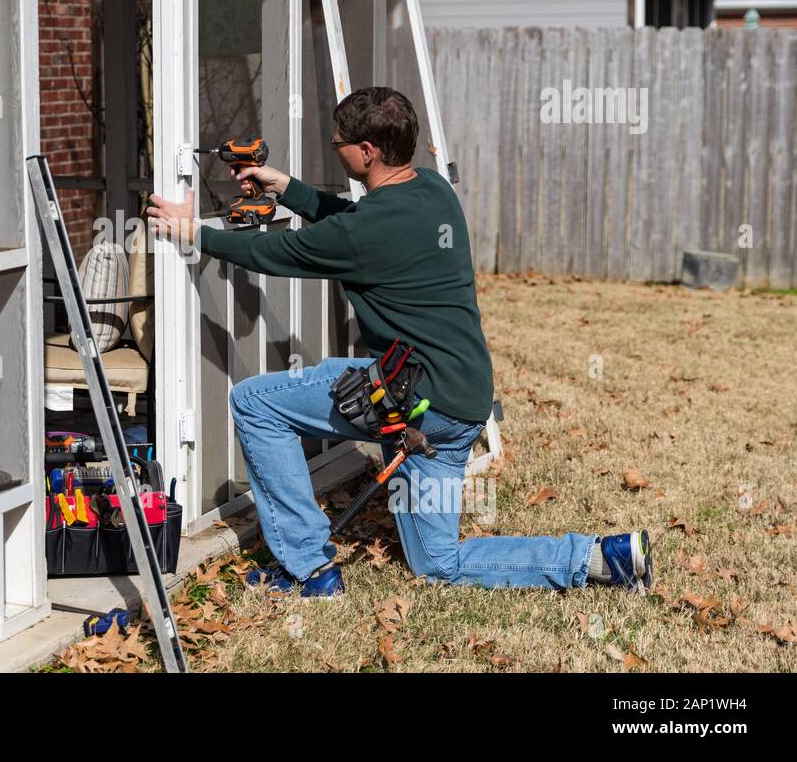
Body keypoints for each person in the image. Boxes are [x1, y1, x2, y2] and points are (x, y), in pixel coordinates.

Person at [146, 87, 652, 598]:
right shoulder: (432, 190)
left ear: (366, 152)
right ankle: (598, 557)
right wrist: (286, 187)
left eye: (338, 142)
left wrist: (195, 233)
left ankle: (308, 569)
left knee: (254, 402)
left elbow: (275, 250)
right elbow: (352, 221)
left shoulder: (363, 231)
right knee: (437, 563)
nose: (334, 149)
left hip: (414, 406)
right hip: (461, 405)